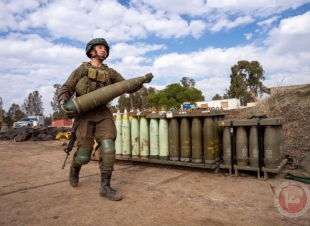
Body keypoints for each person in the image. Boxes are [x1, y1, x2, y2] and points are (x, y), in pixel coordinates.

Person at [58, 38, 141, 201]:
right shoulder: (81, 70)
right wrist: (62, 101)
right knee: (84, 156)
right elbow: (66, 88)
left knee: (108, 149)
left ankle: (105, 187)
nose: (104, 50)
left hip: (103, 113)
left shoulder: (111, 73)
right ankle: (75, 167)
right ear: (91, 51)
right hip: (84, 114)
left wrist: (140, 83)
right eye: (100, 47)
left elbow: (125, 86)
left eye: (105, 48)